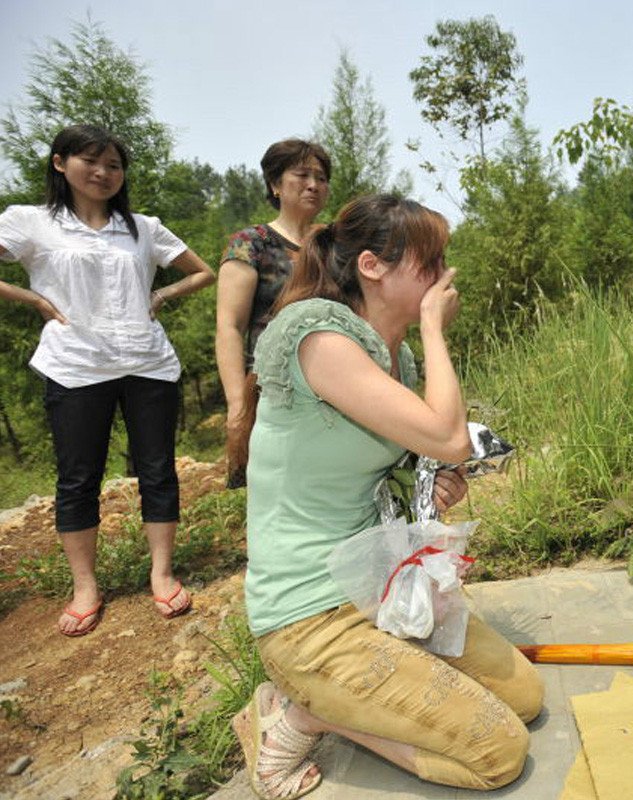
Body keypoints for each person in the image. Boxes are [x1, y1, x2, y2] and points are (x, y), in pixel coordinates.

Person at [234, 193, 543, 799]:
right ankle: (301, 714)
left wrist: (431, 489)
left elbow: (404, 470)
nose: (444, 277)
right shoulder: (316, 335)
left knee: (526, 699)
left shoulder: (392, 357)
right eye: (430, 263)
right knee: (498, 754)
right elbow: (449, 436)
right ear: (373, 266)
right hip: (309, 618)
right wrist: (433, 328)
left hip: (375, 589)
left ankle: (357, 699)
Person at [0, 124, 216, 636]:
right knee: (78, 477)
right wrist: (32, 298)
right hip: (75, 364)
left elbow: (202, 271)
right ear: (60, 164)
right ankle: (85, 587)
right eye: (90, 162)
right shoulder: (30, 222)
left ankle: (161, 573)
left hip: (147, 362)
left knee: (158, 469)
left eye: (114, 165)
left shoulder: (142, 227)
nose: (102, 173)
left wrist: (160, 297)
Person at [215, 139, 330, 488]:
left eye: (322, 177)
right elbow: (229, 327)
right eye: (302, 174)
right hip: (271, 389)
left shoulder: (334, 244)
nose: (314, 184)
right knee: (278, 487)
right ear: (275, 185)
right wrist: (237, 404)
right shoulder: (251, 243)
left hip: (334, 384)